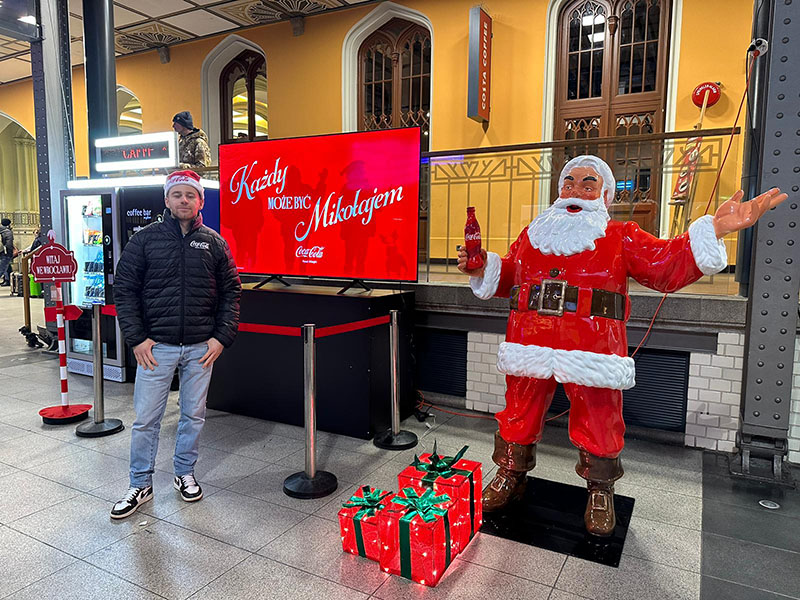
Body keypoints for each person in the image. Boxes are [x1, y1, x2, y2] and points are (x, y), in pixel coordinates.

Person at [458, 154, 787, 536]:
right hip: (530, 340)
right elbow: (511, 273)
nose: (574, 191)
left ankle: (600, 489)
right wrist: (483, 267)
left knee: (599, 418)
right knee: (519, 410)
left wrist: (714, 228)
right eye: (568, 182)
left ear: (605, 196)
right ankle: (510, 473)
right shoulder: (533, 234)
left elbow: (665, 263)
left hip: (592, 347)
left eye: (587, 184)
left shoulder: (620, 236)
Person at [111, 169, 241, 519]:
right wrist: (137, 338)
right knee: (146, 420)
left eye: (190, 195)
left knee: (193, 416)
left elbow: (231, 292)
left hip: (201, 348)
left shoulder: (214, 242)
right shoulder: (144, 240)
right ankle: (140, 483)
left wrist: (221, 337)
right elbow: (124, 290)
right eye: (177, 194)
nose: (184, 200)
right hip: (156, 350)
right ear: (166, 200)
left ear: (200, 200)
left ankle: (185, 474)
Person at [0, 218, 14, 286]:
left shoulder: (1, 230)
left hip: (1, 251)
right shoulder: (7, 232)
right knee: (2, 269)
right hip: (5, 252)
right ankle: (7, 280)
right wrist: (10, 253)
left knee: (6, 267)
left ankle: (7, 280)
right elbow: (9, 244)